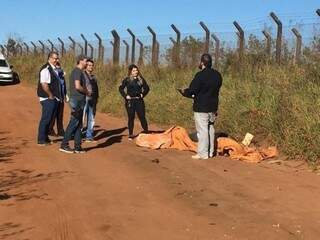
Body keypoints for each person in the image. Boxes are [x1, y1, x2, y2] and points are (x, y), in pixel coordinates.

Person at [178, 53, 222, 159]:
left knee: (202, 130)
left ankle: (203, 153)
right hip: (213, 106)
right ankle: (211, 151)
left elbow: (193, 90)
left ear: (202, 63)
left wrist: (184, 92)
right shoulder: (217, 75)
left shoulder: (200, 75)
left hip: (201, 107)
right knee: (210, 128)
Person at [59, 55, 90, 153]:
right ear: (80, 61)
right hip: (76, 100)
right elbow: (77, 86)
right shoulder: (77, 71)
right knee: (74, 122)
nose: (87, 63)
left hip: (79, 100)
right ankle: (64, 144)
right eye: (85, 61)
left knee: (79, 124)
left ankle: (77, 146)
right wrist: (86, 91)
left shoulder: (80, 72)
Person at [119, 64, 150, 140]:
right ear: (130, 72)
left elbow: (147, 88)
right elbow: (120, 88)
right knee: (131, 117)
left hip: (139, 100)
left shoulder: (141, 79)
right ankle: (131, 134)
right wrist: (125, 96)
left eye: (136, 70)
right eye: (134, 70)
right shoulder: (127, 80)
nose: (136, 72)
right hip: (130, 101)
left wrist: (143, 94)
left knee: (142, 116)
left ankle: (146, 132)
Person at [37, 51, 61, 146]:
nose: (56, 60)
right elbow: (44, 84)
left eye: (57, 58)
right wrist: (50, 95)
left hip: (53, 98)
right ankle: (41, 140)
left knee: (50, 119)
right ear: (49, 58)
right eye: (55, 58)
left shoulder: (53, 69)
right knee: (46, 119)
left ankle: (45, 137)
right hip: (47, 98)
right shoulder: (46, 69)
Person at [49, 60, 67, 137]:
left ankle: (60, 130)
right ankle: (50, 130)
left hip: (61, 98)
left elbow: (64, 87)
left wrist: (66, 95)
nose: (59, 69)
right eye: (57, 68)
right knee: (53, 115)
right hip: (55, 97)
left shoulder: (62, 77)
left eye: (60, 68)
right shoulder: (54, 76)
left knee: (60, 115)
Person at [82, 59, 99, 142]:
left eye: (92, 65)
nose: (91, 67)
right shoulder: (82, 75)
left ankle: (89, 136)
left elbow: (96, 89)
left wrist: (96, 98)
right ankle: (79, 136)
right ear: (85, 66)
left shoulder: (94, 77)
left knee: (91, 118)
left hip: (93, 100)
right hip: (84, 99)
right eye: (89, 65)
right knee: (82, 118)